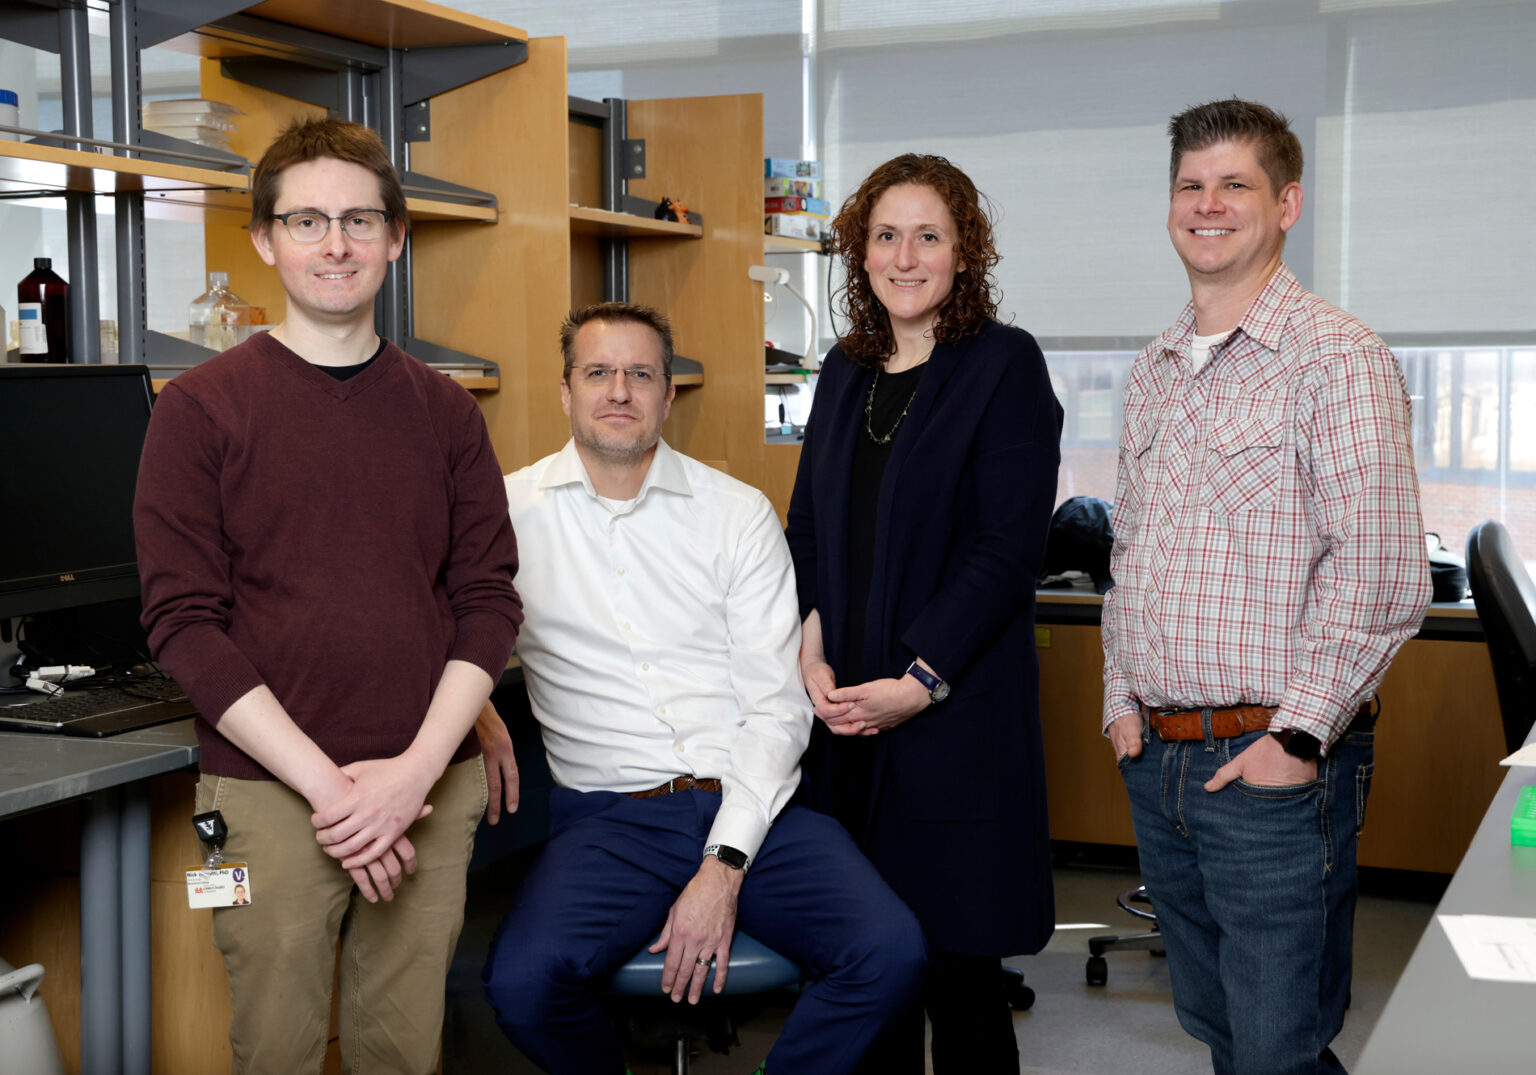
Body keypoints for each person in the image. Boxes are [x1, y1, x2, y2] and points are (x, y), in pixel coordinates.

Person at [133, 117, 522, 1074]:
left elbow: (488, 600)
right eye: (306, 221)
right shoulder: (197, 410)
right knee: (278, 1048)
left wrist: (412, 776)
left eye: (357, 220)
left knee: (401, 1050)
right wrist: (336, 792)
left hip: (426, 786)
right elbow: (183, 622)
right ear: (264, 240)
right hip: (269, 795)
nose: (335, 244)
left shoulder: (445, 411)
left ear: (396, 236)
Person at [479, 302, 926, 1075]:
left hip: (755, 801)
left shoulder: (735, 514)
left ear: (667, 395)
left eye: (641, 374)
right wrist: (480, 708)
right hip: (609, 821)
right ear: (565, 391)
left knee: (889, 951)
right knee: (522, 983)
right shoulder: (504, 515)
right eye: (598, 372)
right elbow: (435, 627)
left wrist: (724, 861)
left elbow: (776, 707)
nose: (619, 390)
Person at [1102, 98, 1431, 1075]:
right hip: (1160, 759)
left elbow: (1381, 569)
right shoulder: (1155, 368)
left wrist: (1297, 737)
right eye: (1190, 186)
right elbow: (1134, 553)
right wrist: (1120, 700)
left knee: (1277, 1045)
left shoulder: (1336, 355)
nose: (1209, 205)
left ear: (1286, 203)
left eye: (1234, 184)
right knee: (1222, 1033)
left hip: (1271, 764)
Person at [784, 153, 1063, 1073]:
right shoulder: (842, 371)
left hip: (951, 719)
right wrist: (812, 650)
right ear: (859, 253)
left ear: (964, 251)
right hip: (847, 722)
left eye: (929, 235)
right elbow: (810, 530)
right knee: (871, 970)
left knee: (958, 976)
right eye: (886, 235)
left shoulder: (1002, 365)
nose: (906, 256)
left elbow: (1007, 550)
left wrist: (918, 680)